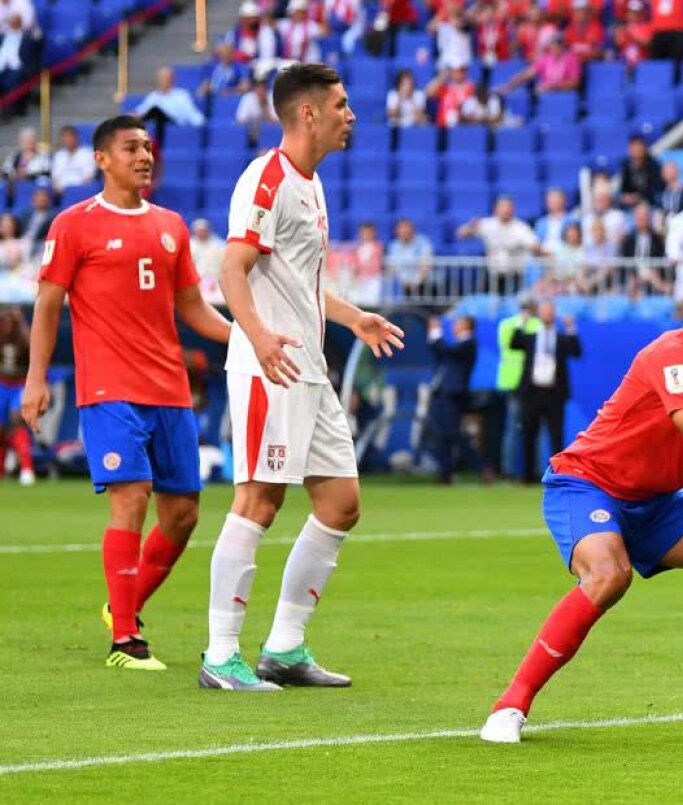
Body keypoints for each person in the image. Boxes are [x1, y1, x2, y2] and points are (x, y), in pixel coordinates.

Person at [480, 251, 683, 744]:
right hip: (587, 482)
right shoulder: (673, 353)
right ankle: (510, 706)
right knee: (610, 575)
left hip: (656, 499)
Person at [201, 63, 405, 691]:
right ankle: (220, 654)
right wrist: (259, 338)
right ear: (308, 112)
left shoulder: (310, 184)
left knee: (341, 503)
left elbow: (302, 281)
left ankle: (284, 648)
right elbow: (231, 268)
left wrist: (351, 318)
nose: (352, 115)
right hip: (273, 366)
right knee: (259, 500)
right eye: (342, 105)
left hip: (309, 368)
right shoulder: (266, 179)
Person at [22, 115, 232, 670]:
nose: (143, 155)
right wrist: (36, 379)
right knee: (131, 496)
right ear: (102, 160)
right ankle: (126, 641)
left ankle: (122, 607)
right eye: (130, 147)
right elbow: (47, 305)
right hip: (109, 388)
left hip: (169, 388)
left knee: (183, 512)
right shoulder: (74, 225)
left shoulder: (171, 225)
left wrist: (248, 336)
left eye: (147, 146)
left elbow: (191, 307)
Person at [509, 299, 582, 484]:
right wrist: (522, 322)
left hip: (554, 394)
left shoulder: (562, 338)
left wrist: (571, 328)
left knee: (556, 435)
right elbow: (513, 343)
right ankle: (527, 476)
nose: (548, 315)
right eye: (544, 311)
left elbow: (577, 351)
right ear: (539, 314)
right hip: (532, 392)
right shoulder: (532, 337)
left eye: (551, 311)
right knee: (528, 434)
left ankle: (557, 475)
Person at [427, 314, 477, 484]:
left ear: (467, 325)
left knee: (453, 433)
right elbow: (439, 350)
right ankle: (444, 473)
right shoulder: (455, 344)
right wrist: (434, 336)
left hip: (454, 394)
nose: (455, 326)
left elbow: (447, 351)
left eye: (458, 322)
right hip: (440, 392)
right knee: (440, 434)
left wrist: (436, 333)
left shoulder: (469, 344)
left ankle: (481, 466)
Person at [494, 299, 541, 478]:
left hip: (530, 383)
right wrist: (521, 325)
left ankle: (530, 470)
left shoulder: (535, 325)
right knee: (514, 428)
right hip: (514, 383)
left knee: (529, 428)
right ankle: (508, 470)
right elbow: (508, 345)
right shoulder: (508, 325)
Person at [0, 306, 34, 485]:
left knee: (17, 421)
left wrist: (20, 322)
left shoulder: (22, 336)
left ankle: (26, 469)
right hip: (2, 385)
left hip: (20, 385)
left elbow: (32, 345)